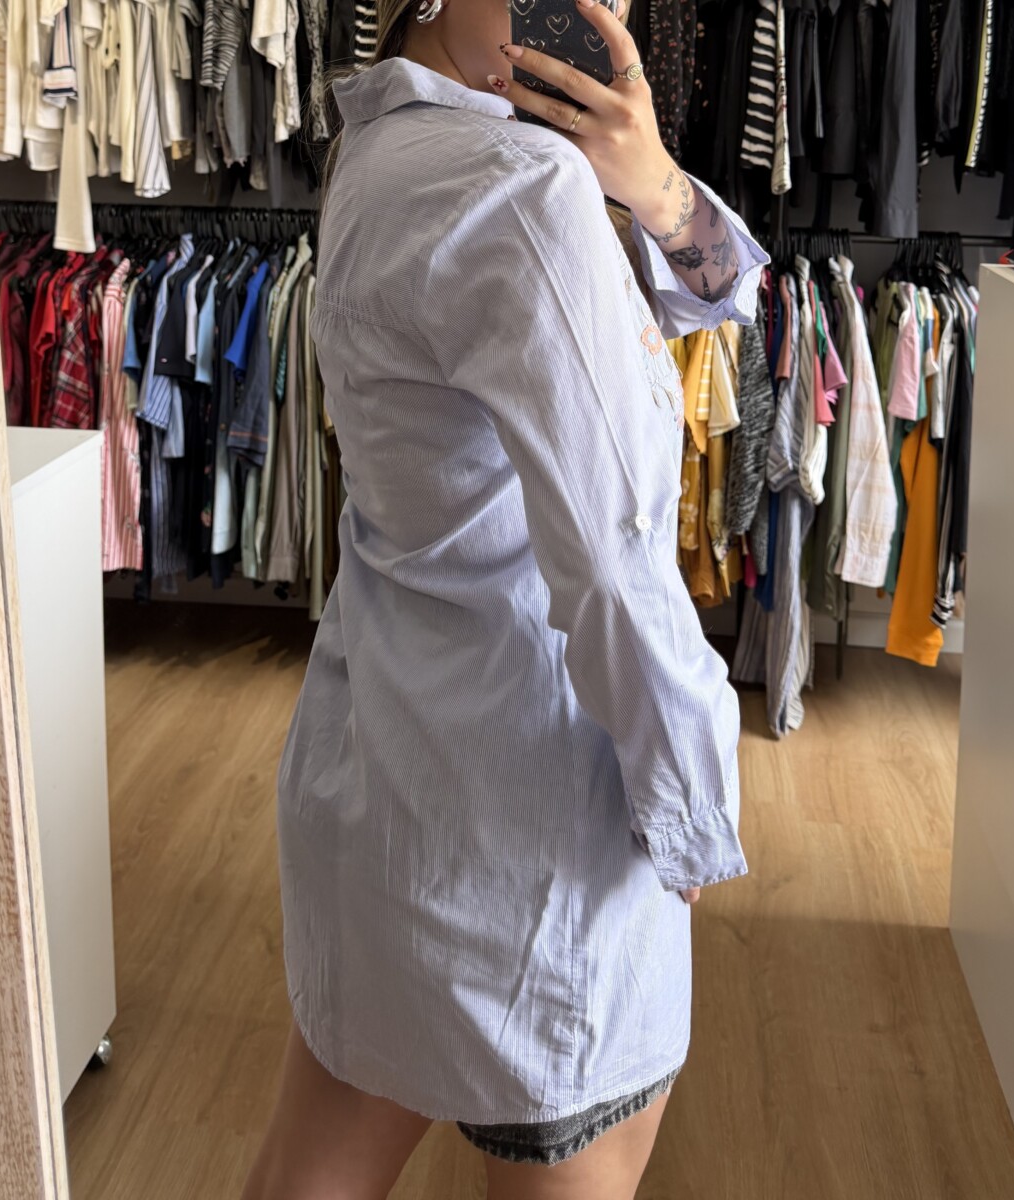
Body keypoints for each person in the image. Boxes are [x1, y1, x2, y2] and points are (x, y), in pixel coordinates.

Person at [241, 0, 769, 1194]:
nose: (592, 8)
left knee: (307, 1170)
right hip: (533, 822)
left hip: (379, 768)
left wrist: (651, 181)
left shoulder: (379, 139)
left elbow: (715, 290)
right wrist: (692, 798)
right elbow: (614, 555)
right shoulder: (522, 185)